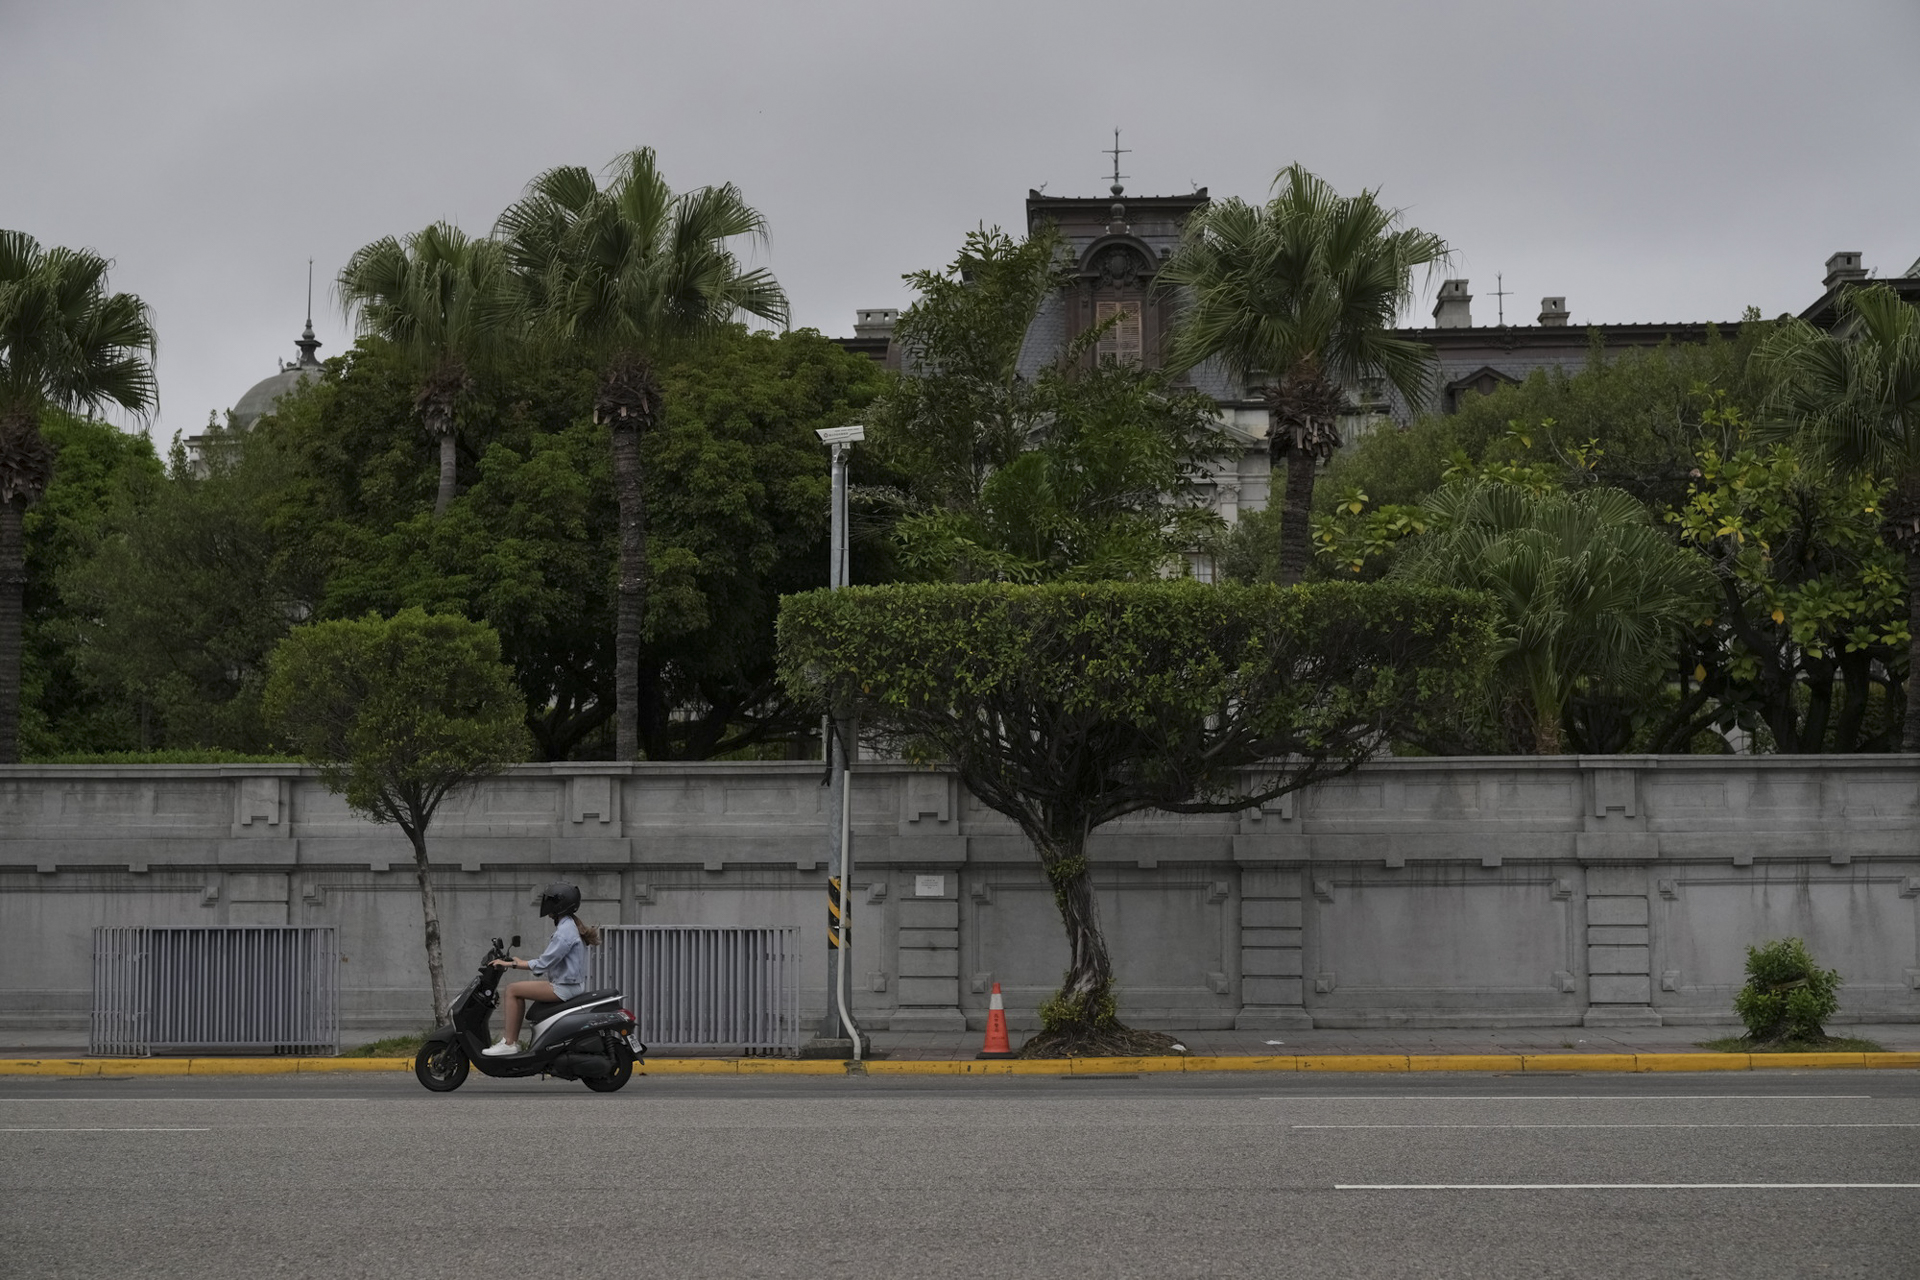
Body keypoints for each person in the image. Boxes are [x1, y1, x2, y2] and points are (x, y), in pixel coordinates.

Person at [483, 881, 601, 1056]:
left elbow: (543, 964)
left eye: (550, 902)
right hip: (568, 985)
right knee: (517, 991)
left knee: (512, 990)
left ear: (559, 905)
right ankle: (511, 1043)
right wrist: (519, 961)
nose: (546, 906)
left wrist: (511, 964)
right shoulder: (569, 925)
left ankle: (509, 1043)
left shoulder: (564, 932)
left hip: (563, 988)